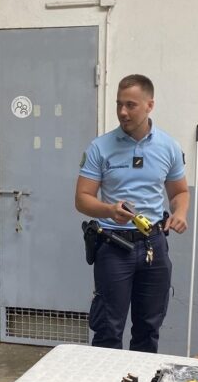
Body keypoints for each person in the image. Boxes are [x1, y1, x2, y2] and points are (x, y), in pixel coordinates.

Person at [74, 74, 189, 353]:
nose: (123, 112)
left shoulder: (169, 147)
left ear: (149, 105)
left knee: (148, 328)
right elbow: (82, 199)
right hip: (113, 245)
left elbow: (179, 193)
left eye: (131, 105)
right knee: (108, 329)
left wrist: (181, 213)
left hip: (153, 245)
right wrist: (109, 210)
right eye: (118, 105)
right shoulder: (100, 147)